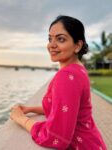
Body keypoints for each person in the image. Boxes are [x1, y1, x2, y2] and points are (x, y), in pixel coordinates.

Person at [10, 15, 107, 150]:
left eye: (60, 39)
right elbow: (64, 108)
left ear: (77, 45)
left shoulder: (67, 76)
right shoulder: (78, 70)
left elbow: (55, 136)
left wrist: (20, 118)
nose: (51, 45)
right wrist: (30, 109)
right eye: (50, 39)